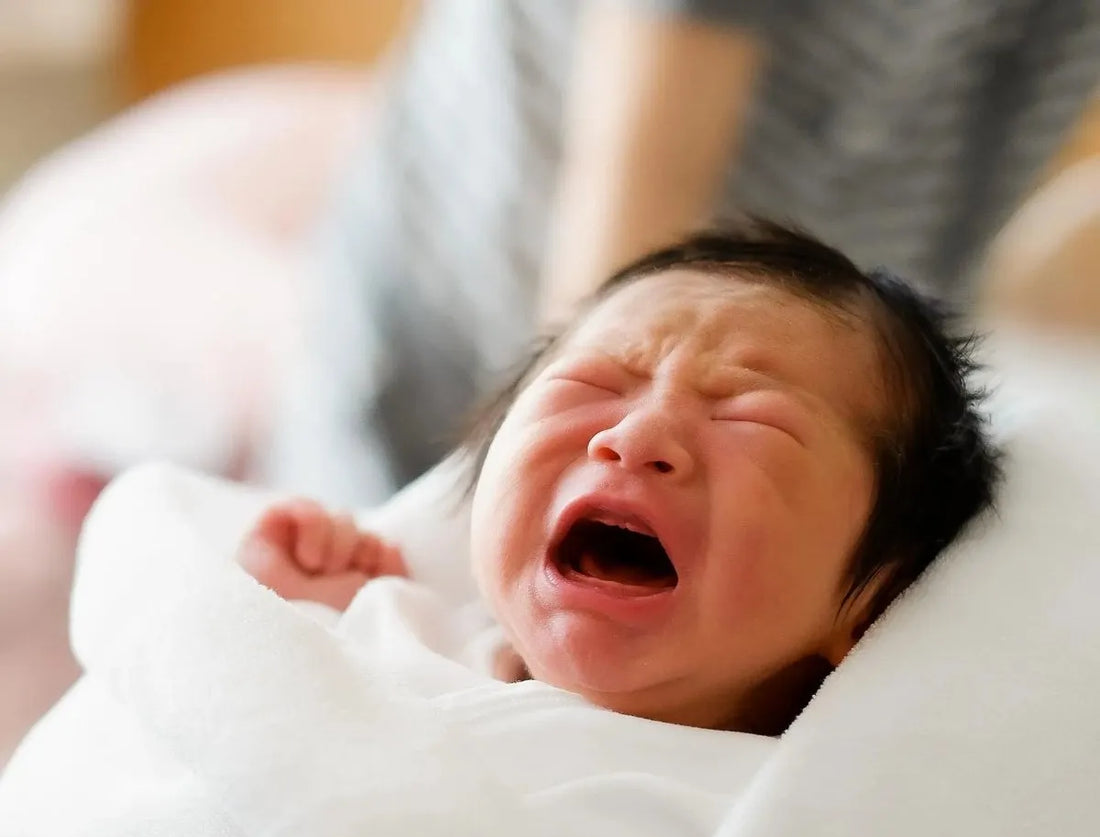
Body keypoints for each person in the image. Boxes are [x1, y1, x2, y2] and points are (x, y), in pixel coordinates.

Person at [266, 0, 1097, 506]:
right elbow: (638, 174)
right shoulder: (607, 398)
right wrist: (556, 462)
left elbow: (985, 175)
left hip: (822, 305)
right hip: (500, 286)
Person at [243, 222, 1001, 734]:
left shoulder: (789, 820)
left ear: (874, 601)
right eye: (594, 383)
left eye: (752, 420)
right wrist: (295, 612)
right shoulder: (403, 639)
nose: (635, 438)